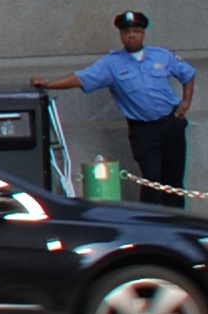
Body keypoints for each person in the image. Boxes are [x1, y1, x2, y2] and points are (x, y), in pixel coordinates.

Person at [35, 11, 198, 191]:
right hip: (144, 130)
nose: (131, 36)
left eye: (136, 31)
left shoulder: (162, 56)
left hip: (171, 122)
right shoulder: (111, 64)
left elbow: (188, 74)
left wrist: (186, 102)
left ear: (143, 33)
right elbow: (81, 78)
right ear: (121, 35)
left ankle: (174, 210)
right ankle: (150, 209)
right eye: (126, 32)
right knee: (151, 176)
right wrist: (49, 84)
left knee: (174, 177)